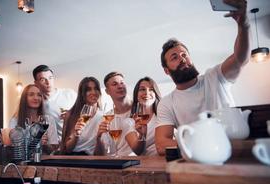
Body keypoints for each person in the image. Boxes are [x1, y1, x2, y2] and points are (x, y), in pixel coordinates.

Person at [155, 0, 250, 155]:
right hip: (199, 160)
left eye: (184, 54)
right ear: (166, 71)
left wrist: (244, 25)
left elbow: (241, 59)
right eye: (174, 57)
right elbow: (161, 144)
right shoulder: (167, 103)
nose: (182, 58)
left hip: (237, 153)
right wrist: (203, 146)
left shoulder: (216, 76)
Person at [33, 65, 77, 142]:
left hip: (74, 144)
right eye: (43, 79)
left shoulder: (69, 94)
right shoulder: (37, 104)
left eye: (50, 78)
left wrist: (72, 115)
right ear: (36, 83)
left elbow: (85, 114)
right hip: (53, 148)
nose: (48, 82)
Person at [94, 72, 134, 156]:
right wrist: (98, 138)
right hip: (117, 162)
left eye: (122, 83)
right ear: (107, 91)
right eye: (115, 84)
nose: (120, 86)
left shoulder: (139, 110)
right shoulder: (107, 118)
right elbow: (99, 155)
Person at [60, 77, 102, 155]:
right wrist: (76, 134)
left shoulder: (103, 116)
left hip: (93, 159)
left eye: (96, 88)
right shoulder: (72, 114)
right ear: (82, 93)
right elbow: (67, 149)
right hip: (73, 158)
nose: (93, 92)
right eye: (88, 90)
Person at [125, 77, 161, 155]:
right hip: (147, 164)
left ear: (156, 94)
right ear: (136, 95)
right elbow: (137, 151)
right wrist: (142, 135)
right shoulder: (130, 122)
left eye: (151, 89)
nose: (147, 93)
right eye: (142, 89)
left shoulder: (163, 115)